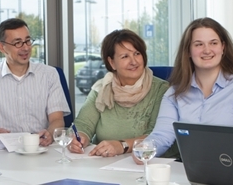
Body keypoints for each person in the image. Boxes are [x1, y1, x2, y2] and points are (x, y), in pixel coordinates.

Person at [145, 17, 233, 158]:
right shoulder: (175, 92)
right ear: (188, 51)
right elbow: (162, 136)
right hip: (190, 171)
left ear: (223, 47)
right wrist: (143, 149)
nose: (207, 50)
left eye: (213, 43)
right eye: (198, 44)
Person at [0, 18, 69, 146]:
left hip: (40, 148)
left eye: (28, 41)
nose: (25, 48)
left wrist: (50, 133)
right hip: (2, 152)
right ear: (2, 47)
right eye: (17, 43)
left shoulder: (49, 74)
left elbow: (57, 120)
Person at [67, 29, 169, 157]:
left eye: (137, 53)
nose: (134, 61)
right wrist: (79, 138)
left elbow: (158, 136)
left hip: (146, 165)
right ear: (112, 62)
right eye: (125, 56)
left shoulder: (162, 90)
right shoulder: (102, 88)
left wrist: (122, 145)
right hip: (103, 163)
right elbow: (83, 124)